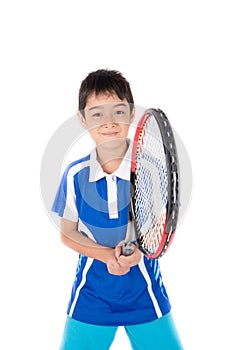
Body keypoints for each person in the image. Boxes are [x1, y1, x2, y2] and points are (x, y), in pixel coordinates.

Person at [52, 69, 183, 349]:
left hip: (145, 294)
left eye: (119, 112)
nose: (109, 122)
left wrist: (137, 254)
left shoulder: (150, 170)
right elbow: (67, 233)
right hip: (91, 297)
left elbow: (156, 227)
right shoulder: (75, 175)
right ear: (82, 118)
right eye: (97, 113)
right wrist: (105, 256)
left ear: (132, 113)